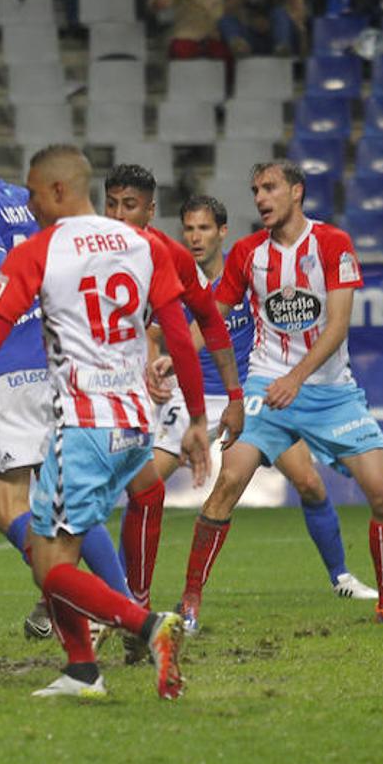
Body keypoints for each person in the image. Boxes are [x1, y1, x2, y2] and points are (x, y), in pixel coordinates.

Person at [0, 144, 213, 700]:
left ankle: (145, 624)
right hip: (136, 424)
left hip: (84, 424)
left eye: (33, 192)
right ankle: (81, 669)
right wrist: (194, 417)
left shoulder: (41, 252)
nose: (28, 203)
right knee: (53, 553)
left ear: (58, 192)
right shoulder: (146, 245)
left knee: (49, 566)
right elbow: (177, 326)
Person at [175, 160, 383, 631]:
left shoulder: (333, 244)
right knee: (227, 484)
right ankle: (189, 603)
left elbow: (336, 327)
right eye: (255, 190)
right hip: (266, 389)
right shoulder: (248, 254)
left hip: (332, 392)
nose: (261, 198)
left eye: (270, 188)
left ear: (297, 191)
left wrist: (297, 377)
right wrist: (175, 356)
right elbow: (213, 317)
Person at [0, 117, 131, 642]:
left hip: (4, 368)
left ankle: (89, 606)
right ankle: (129, 607)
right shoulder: (25, 198)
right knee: (65, 502)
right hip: (49, 358)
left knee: (3, 506)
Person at [147, 194, 377, 611]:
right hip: (192, 398)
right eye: (188, 229)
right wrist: (159, 363)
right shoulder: (175, 280)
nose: (195, 238)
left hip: (248, 395)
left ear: (222, 232)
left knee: (308, 483)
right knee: (145, 485)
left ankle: (340, 575)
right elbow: (155, 334)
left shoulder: (249, 270)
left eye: (203, 228)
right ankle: (134, 594)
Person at [100, 165, 244, 652]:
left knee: (141, 491)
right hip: (88, 390)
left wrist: (228, 400)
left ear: (150, 210)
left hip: (184, 396)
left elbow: (197, 328)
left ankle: (131, 605)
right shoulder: (79, 247)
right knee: (106, 497)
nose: (119, 215)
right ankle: (107, 603)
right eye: (112, 203)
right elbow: (163, 333)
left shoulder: (168, 257)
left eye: (131, 205)